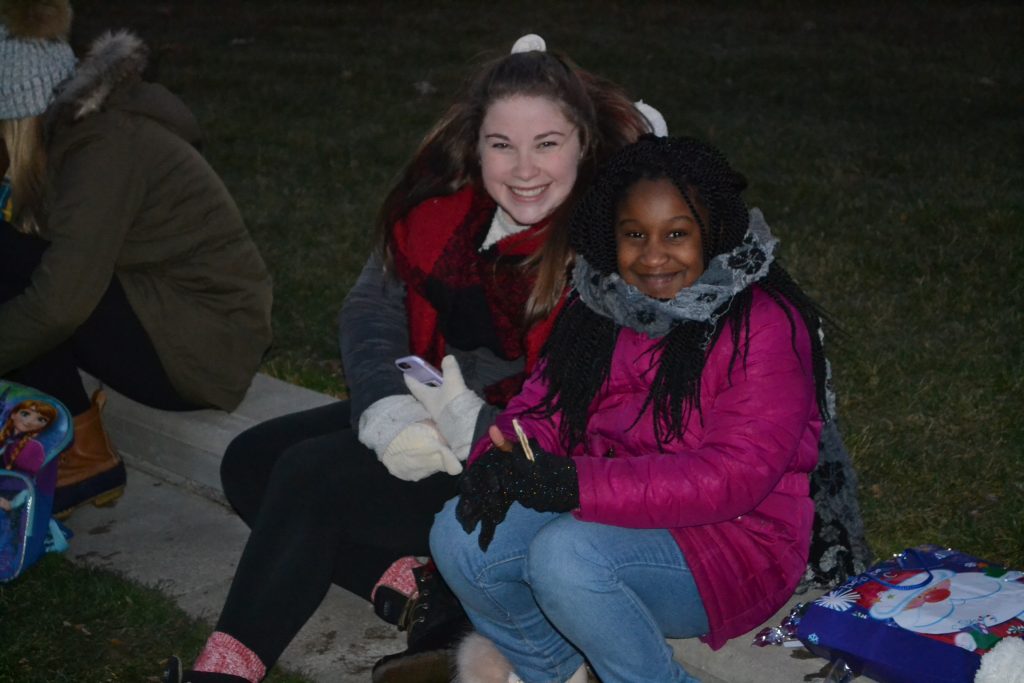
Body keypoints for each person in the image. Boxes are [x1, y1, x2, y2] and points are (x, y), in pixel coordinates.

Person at [163, 35, 655, 683]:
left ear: (583, 145)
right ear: (475, 145)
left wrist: (461, 422)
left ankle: (223, 670)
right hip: (439, 404)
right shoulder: (443, 210)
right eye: (502, 144)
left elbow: (582, 428)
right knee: (251, 462)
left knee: (312, 476)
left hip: (533, 465)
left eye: (548, 143)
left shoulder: (607, 247)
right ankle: (414, 581)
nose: (524, 168)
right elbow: (372, 312)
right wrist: (387, 409)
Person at [430, 134, 842, 683]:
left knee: (565, 556)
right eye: (634, 235)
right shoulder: (600, 301)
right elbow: (545, 407)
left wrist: (574, 484)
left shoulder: (762, 324)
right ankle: (558, 672)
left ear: (713, 231)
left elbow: (733, 476)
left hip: (737, 541)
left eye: (676, 234)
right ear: (611, 235)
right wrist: (501, 457)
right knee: (457, 538)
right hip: (609, 512)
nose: (652, 256)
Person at [0, 0, 273, 516]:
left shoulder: (101, 148)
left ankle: (85, 455)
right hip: (164, 312)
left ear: (17, 113)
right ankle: (70, 432)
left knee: (24, 272)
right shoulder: (77, 137)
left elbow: (59, 304)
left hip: (204, 347)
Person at [0, 399, 57, 477]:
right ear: (13, 414)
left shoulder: (34, 447)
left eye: (41, 419)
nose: (30, 421)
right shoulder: (3, 434)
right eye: (25, 414)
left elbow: (28, 478)